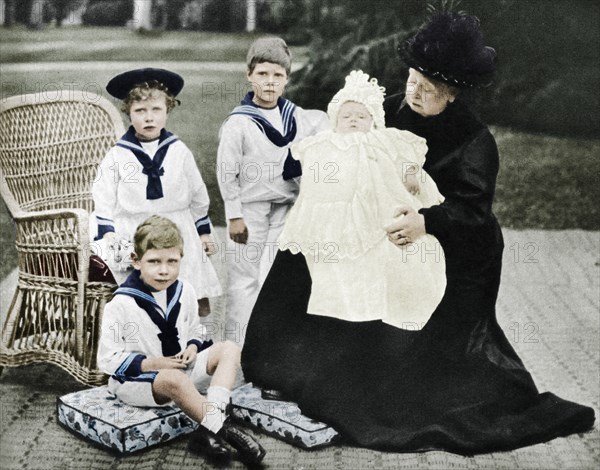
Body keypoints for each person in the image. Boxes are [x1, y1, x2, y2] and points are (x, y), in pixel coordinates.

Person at [241, 13, 595, 454]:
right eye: (412, 81)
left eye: (428, 90)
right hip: (381, 223)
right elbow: (346, 145)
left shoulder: (473, 140)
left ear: (451, 94)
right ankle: (285, 360)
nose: (415, 94)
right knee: (312, 249)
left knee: (410, 312)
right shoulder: (388, 109)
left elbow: (473, 212)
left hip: (454, 241)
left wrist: (427, 221)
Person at [278, 70, 446, 329]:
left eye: (361, 116)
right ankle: (343, 311)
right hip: (335, 210)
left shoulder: (382, 138)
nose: (353, 121)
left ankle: (389, 306)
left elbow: (407, 154)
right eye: (346, 117)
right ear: (335, 121)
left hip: (380, 204)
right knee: (338, 265)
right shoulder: (326, 141)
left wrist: (410, 172)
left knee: (390, 256)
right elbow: (298, 160)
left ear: (373, 120)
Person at [97, 216, 265, 466]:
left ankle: (207, 430)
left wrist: (193, 347)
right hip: (141, 381)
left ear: (181, 259)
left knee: (229, 349)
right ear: (136, 261)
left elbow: (195, 329)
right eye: (154, 261)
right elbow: (107, 361)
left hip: (179, 367)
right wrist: (154, 363)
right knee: (174, 379)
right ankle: (226, 430)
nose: (164, 270)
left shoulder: (185, 290)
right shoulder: (121, 303)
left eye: (172, 261)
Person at [216, 37, 329, 345]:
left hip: (287, 208)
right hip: (249, 209)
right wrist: (234, 215)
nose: (269, 82)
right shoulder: (238, 123)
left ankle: (268, 348)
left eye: (277, 75)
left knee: (275, 278)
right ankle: (235, 350)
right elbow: (226, 172)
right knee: (244, 280)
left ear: (287, 79)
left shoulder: (299, 117)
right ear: (249, 75)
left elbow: (321, 147)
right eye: (263, 74)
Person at [92, 68, 221, 316]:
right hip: (135, 228)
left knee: (186, 291)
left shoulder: (178, 150)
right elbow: (103, 196)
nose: (148, 118)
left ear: (167, 110)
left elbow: (197, 194)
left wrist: (203, 233)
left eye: (156, 110)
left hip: (177, 226)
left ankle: (187, 340)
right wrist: (108, 236)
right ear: (128, 113)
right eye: (140, 111)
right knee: (143, 298)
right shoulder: (118, 154)